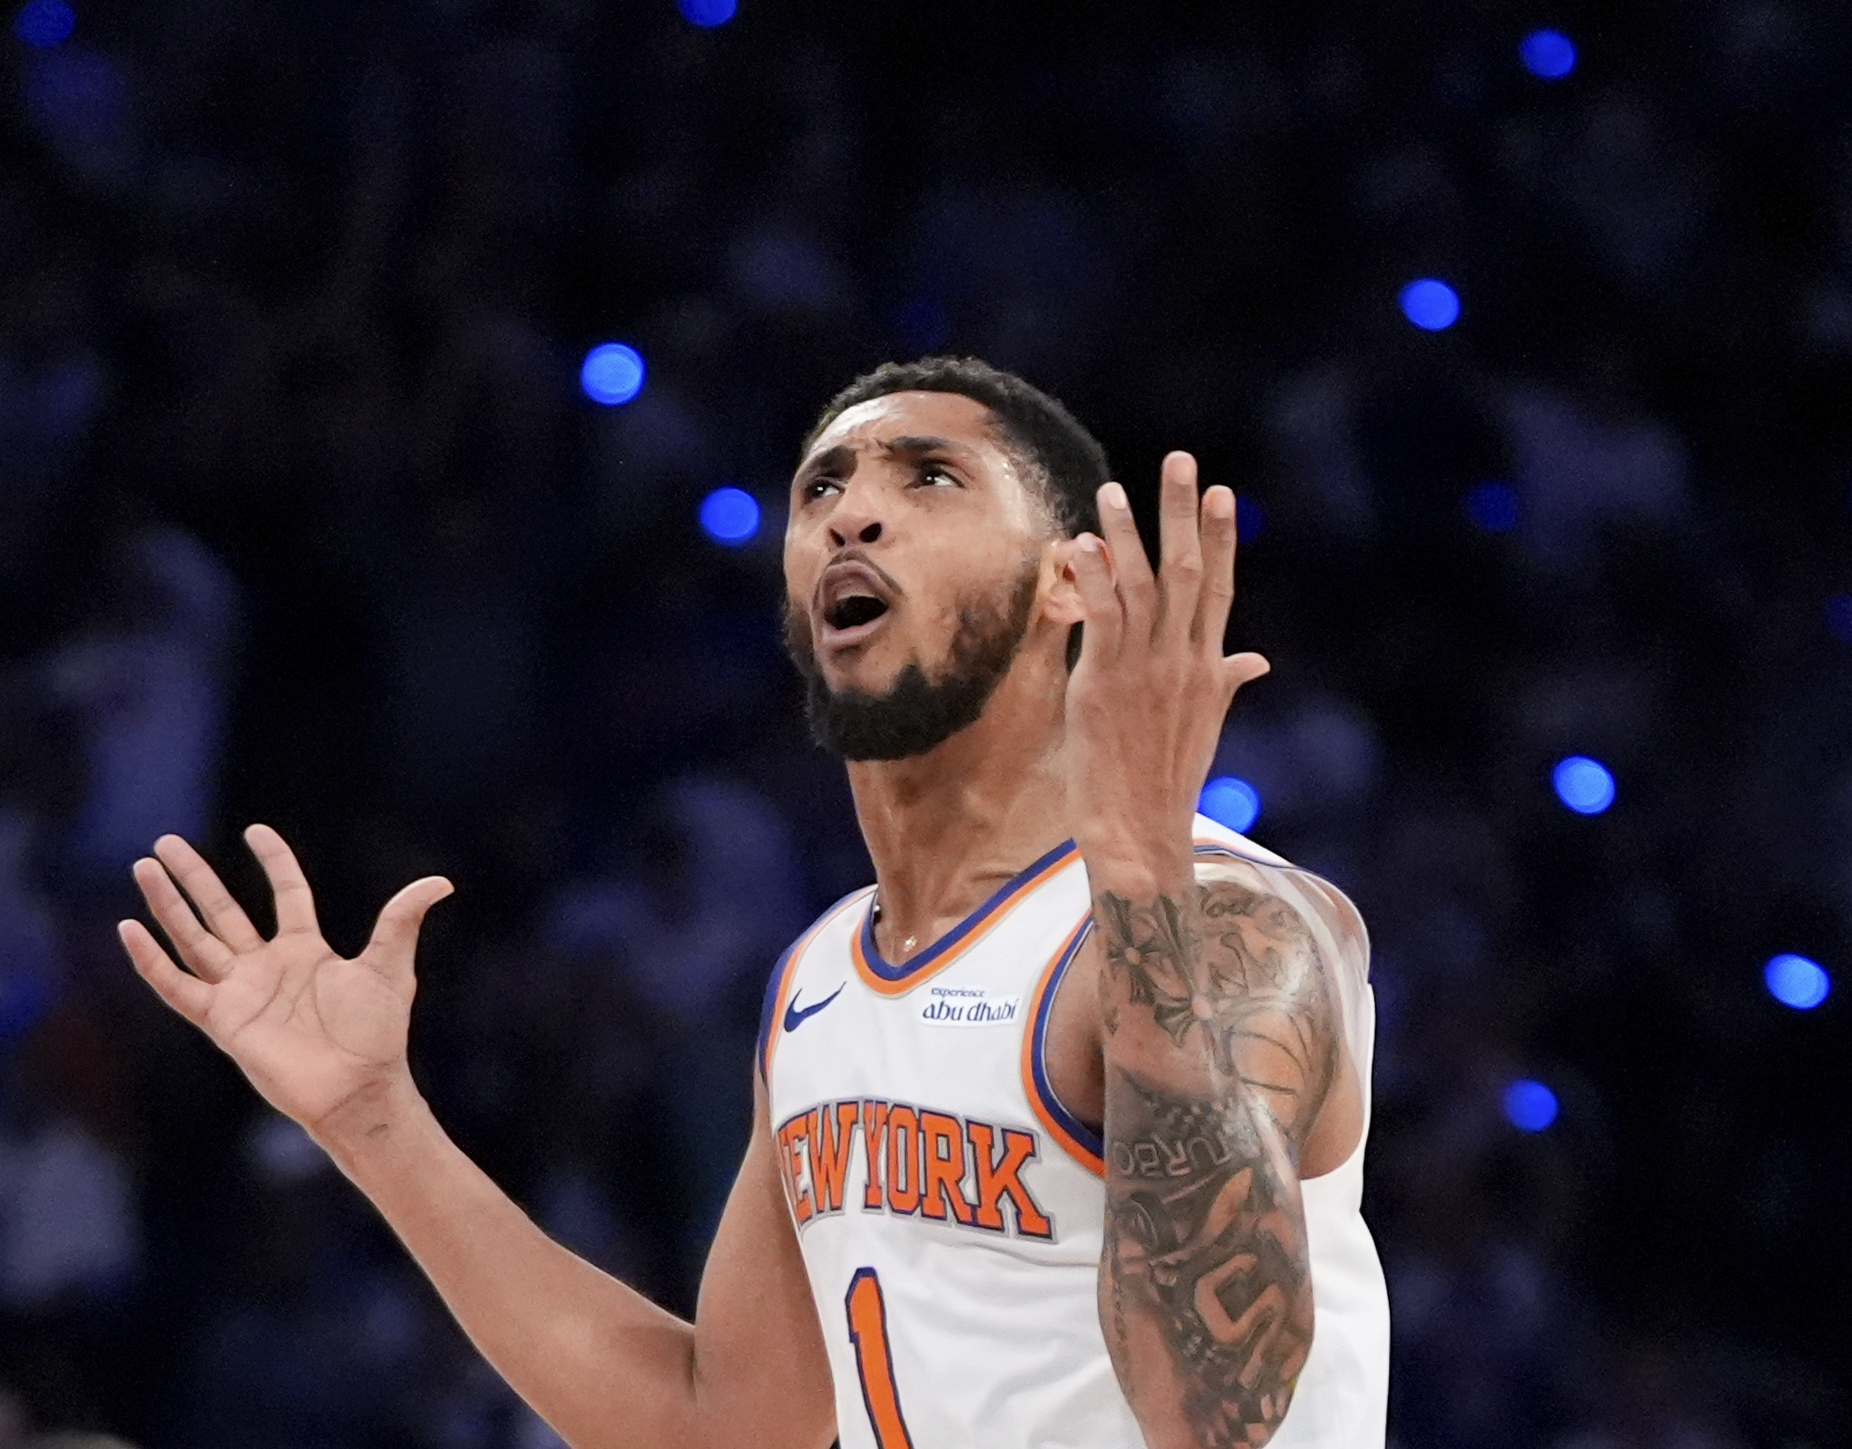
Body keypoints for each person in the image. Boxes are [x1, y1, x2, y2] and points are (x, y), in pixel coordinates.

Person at [119, 357, 1388, 1448]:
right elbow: (721, 1426)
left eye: (927, 478)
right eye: (822, 489)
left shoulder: (1229, 925)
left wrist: (1139, 873)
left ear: (1073, 581)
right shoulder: (824, 975)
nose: (853, 518)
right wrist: (375, 1123)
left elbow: (1215, 1418)